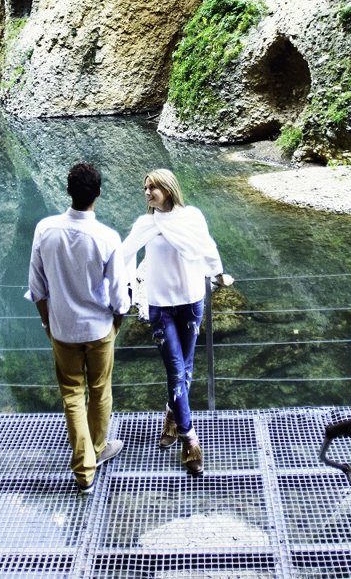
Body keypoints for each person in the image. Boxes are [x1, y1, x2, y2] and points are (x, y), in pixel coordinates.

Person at [114, 168, 233, 478]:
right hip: (160, 306)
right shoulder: (146, 224)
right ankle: (189, 438)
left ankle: (171, 415)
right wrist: (122, 291)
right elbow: (123, 255)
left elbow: (207, 247)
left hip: (192, 301)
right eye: (145, 188)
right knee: (176, 370)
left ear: (168, 189)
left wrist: (219, 275)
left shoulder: (191, 216)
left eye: (153, 187)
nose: (148, 193)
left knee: (186, 368)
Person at [27, 162, 132, 493]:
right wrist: (117, 320)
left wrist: (47, 321)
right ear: (98, 193)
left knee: (72, 394)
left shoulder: (45, 230)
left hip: (62, 329)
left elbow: (37, 287)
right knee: (100, 390)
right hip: (99, 329)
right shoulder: (107, 237)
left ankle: (84, 470)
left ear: (67, 191)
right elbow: (119, 294)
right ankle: (97, 449)